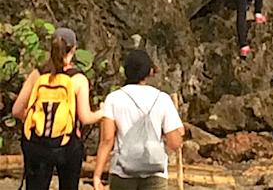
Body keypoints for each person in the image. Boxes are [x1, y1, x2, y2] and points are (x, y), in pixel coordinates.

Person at [12, 27, 104, 190]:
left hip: (37, 144)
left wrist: (40, 122)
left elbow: (17, 110)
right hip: (67, 145)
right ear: (74, 49)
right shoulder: (78, 78)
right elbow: (85, 118)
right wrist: (102, 112)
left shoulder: (37, 74)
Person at [93, 50, 184, 190]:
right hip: (155, 175)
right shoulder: (163, 99)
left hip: (122, 174)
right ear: (149, 72)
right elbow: (174, 142)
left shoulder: (114, 99)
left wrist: (97, 176)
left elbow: (107, 140)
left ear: (125, 71)